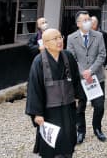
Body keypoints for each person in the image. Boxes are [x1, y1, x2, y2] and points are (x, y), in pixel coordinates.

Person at [26, 28, 82, 158]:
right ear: (45, 43)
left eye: (60, 37)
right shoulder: (38, 61)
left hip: (68, 107)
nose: (59, 41)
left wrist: (79, 97)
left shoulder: (68, 56)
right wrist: (37, 113)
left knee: (68, 137)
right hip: (49, 110)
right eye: (54, 39)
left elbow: (76, 80)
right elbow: (34, 88)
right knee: (51, 143)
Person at [67, 10, 107, 143]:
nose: (88, 22)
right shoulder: (71, 38)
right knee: (79, 107)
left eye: (89, 19)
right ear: (78, 23)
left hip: (96, 77)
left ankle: (97, 128)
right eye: (85, 20)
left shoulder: (99, 36)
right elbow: (71, 58)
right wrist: (83, 72)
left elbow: (102, 55)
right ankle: (80, 131)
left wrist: (91, 71)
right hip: (80, 79)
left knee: (99, 106)